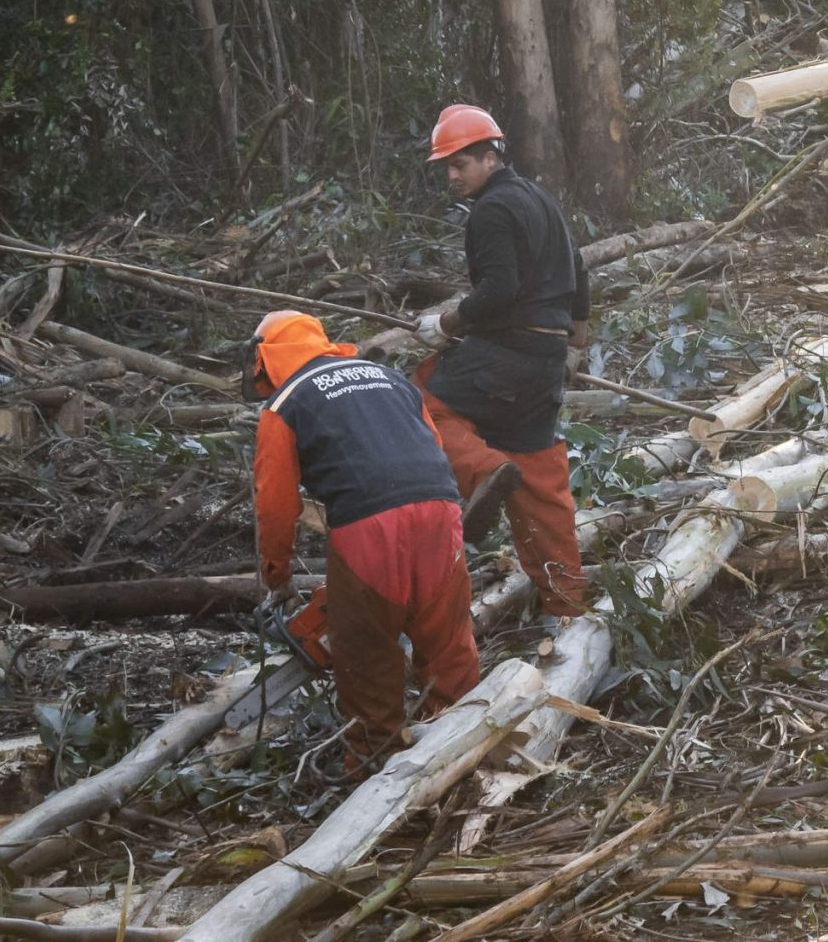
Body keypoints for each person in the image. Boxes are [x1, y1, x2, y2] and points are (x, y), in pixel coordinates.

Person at [244, 310, 481, 767]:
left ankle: (376, 771)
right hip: (440, 506)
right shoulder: (390, 378)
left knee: (365, 653)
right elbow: (432, 443)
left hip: (367, 524)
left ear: (265, 356)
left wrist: (277, 572)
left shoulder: (285, 402)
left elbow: (274, 502)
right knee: (448, 640)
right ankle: (467, 750)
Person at [412, 104, 591, 618]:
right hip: (543, 360)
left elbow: (498, 290)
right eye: (446, 166)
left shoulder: (491, 210)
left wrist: (444, 325)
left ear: (490, 157)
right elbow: (577, 270)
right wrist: (575, 343)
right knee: (541, 484)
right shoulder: (539, 197)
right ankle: (568, 608)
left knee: (417, 403)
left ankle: (487, 470)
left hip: (508, 353)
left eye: (459, 165)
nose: (452, 176)